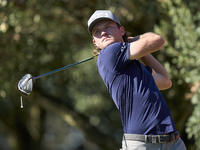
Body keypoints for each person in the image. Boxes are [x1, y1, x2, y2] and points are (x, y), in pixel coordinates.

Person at [87, 10, 186, 150]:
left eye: (108, 26)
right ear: (95, 43)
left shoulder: (135, 67)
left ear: (121, 30)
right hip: (143, 144)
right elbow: (157, 40)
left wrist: (142, 52)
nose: (103, 32)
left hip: (172, 141)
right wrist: (134, 40)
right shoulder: (109, 53)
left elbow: (165, 81)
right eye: (97, 31)